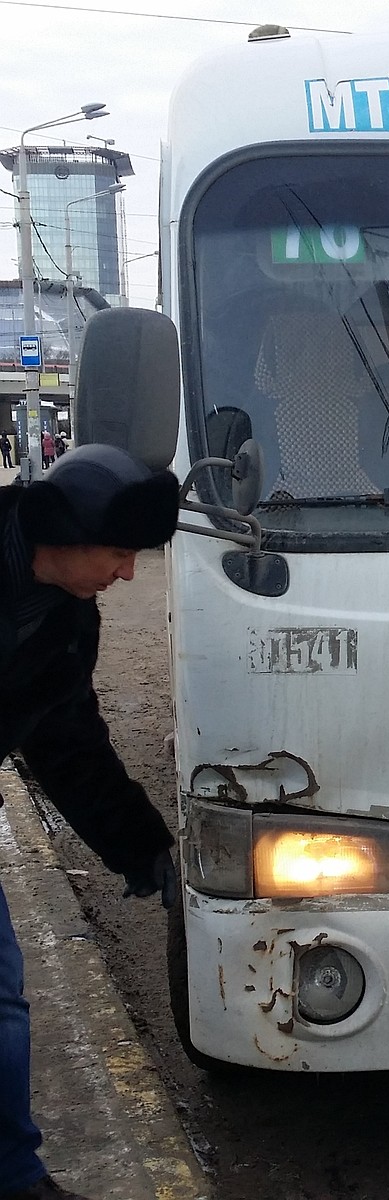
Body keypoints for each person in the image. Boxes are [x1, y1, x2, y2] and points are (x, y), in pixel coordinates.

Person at [0, 443, 180, 1200]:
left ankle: (14, 1176)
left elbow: (69, 743)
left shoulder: (71, 624)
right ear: (63, 538)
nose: (129, 573)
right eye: (119, 552)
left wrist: (142, 849)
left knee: (2, 1004)